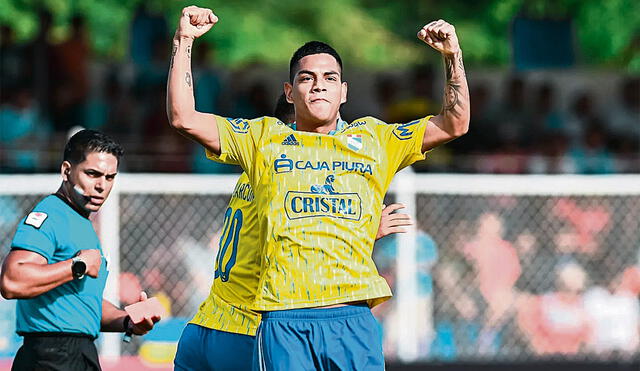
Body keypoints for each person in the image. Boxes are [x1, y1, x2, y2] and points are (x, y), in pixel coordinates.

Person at [167, 6, 469, 369]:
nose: (319, 84)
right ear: (290, 92)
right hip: (283, 320)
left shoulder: (375, 138)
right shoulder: (263, 137)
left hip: (351, 320)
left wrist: (453, 57)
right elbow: (184, 118)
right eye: (307, 78)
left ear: (343, 91)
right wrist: (183, 41)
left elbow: (454, 123)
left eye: (329, 78)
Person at [174, 94, 414, 370]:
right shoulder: (283, 181)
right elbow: (302, 242)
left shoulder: (257, 171)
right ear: (296, 128)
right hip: (245, 332)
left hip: (204, 325)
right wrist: (365, 231)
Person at [0, 129, 161, 371]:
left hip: (80, 354)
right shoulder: (51, 214)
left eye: (109, 177)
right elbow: (12, 281)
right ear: (66, 171)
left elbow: (85, 304)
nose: (101, 186)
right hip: (49, 357)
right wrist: (77, 265)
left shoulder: (82, 223)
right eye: (92, 174)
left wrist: (128, 321)